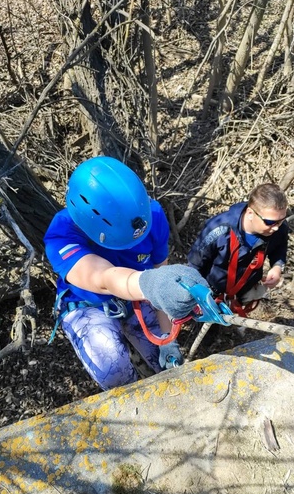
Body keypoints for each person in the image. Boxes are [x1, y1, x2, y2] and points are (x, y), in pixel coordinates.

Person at [44, 156, 209, 390]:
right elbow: (104, 278)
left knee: (167, 365)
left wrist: (166, 336)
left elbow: (159, 270)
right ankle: (135, 402)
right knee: (113, 372)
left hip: (140, 292)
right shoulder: (62, 234)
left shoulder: (149, 215)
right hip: (88, 304)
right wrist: (151, 284)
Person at [187, 183, 288, 313]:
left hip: (243, 292)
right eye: (269, 222)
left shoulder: (278, 228)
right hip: (210, 293)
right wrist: (197, 295)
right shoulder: (218, 229)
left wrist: (277, 267)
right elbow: (194, 265)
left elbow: (280, 248)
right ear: (251, 213)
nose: (276, 227)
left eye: (281, 220)